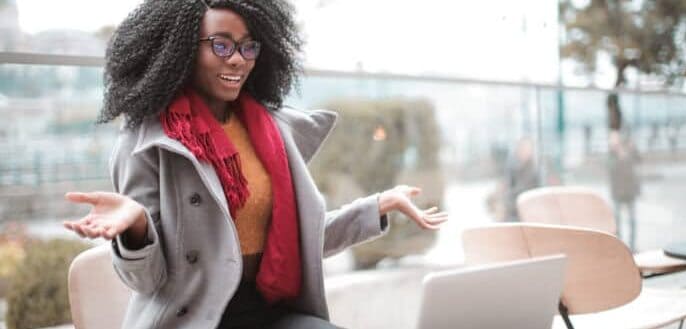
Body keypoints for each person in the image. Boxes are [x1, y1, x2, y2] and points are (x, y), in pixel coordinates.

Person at [61, 1, 447, 328]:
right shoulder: (147, 144)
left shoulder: (269, 132)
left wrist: (378, 205)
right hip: (199, 318)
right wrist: (137, 228)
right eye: (221, 45)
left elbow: (297, 242)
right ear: (179, 49)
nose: (238, 61)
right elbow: (148, 280)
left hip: (269, 309)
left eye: (248, 48)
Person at [607, 130, 640, 250]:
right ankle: (619, 246)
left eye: (616, 140)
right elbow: (611, 169)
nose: (615, 143)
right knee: (617, 222)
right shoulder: (611, 155)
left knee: (632, 221)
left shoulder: (628, 151)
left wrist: (630, 149)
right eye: (612, 141)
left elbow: (638, 160)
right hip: (617, 193)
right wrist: (618, 154)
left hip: (629, 192)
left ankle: (632, 246)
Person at [502, 137, 540, 222]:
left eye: (526, 149)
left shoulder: (536, 171)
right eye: (521, 148)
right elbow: (508, 190)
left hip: (529, 211)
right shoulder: (513, 168)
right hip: (514, 212)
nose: (523, 151)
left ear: (531, 151)